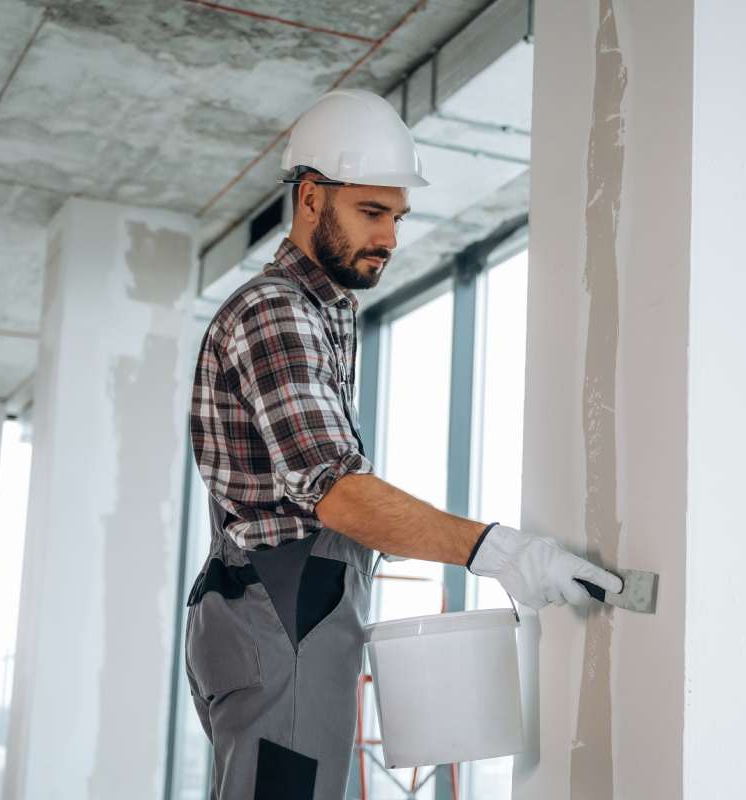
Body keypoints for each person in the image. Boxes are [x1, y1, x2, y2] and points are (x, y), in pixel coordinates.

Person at [185, 88, 622, 800]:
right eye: (371, 212)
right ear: (310, 198)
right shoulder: (278, 314)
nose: (389, 236)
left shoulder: (321, 313)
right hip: (282, 612)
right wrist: (497, 551)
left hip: (284, 610)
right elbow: (337, 492)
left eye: (397, 216)